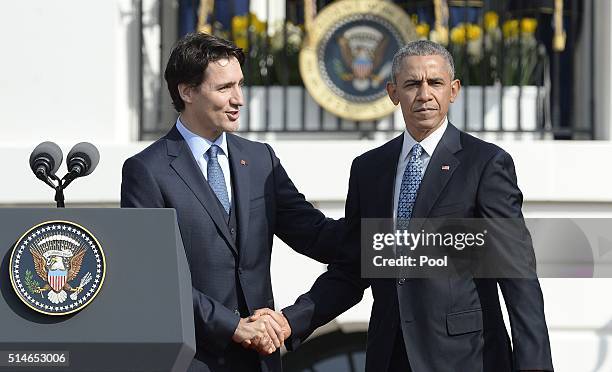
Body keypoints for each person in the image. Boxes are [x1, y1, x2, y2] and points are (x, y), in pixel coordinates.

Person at [265, 40, 554, 372]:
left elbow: (517, 274)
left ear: (454, 90)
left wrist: (534, 366)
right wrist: (290, 322)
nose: (424, 94)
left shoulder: (485, 164)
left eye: (435, 83)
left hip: (467, 359)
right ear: (393, 92)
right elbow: (353, 267)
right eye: (413, 84)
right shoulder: (369, 169)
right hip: (389, 356)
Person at [121, 32, 339, 372]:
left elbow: (314, 233)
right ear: (187, 91)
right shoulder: (146, 171)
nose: (238, 98)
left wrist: (383, 239)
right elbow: (152, 276)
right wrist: (233, 326)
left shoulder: (260, 159)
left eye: (240, 85)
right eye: (224, 88)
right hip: (191, 361)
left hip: (260, 362)